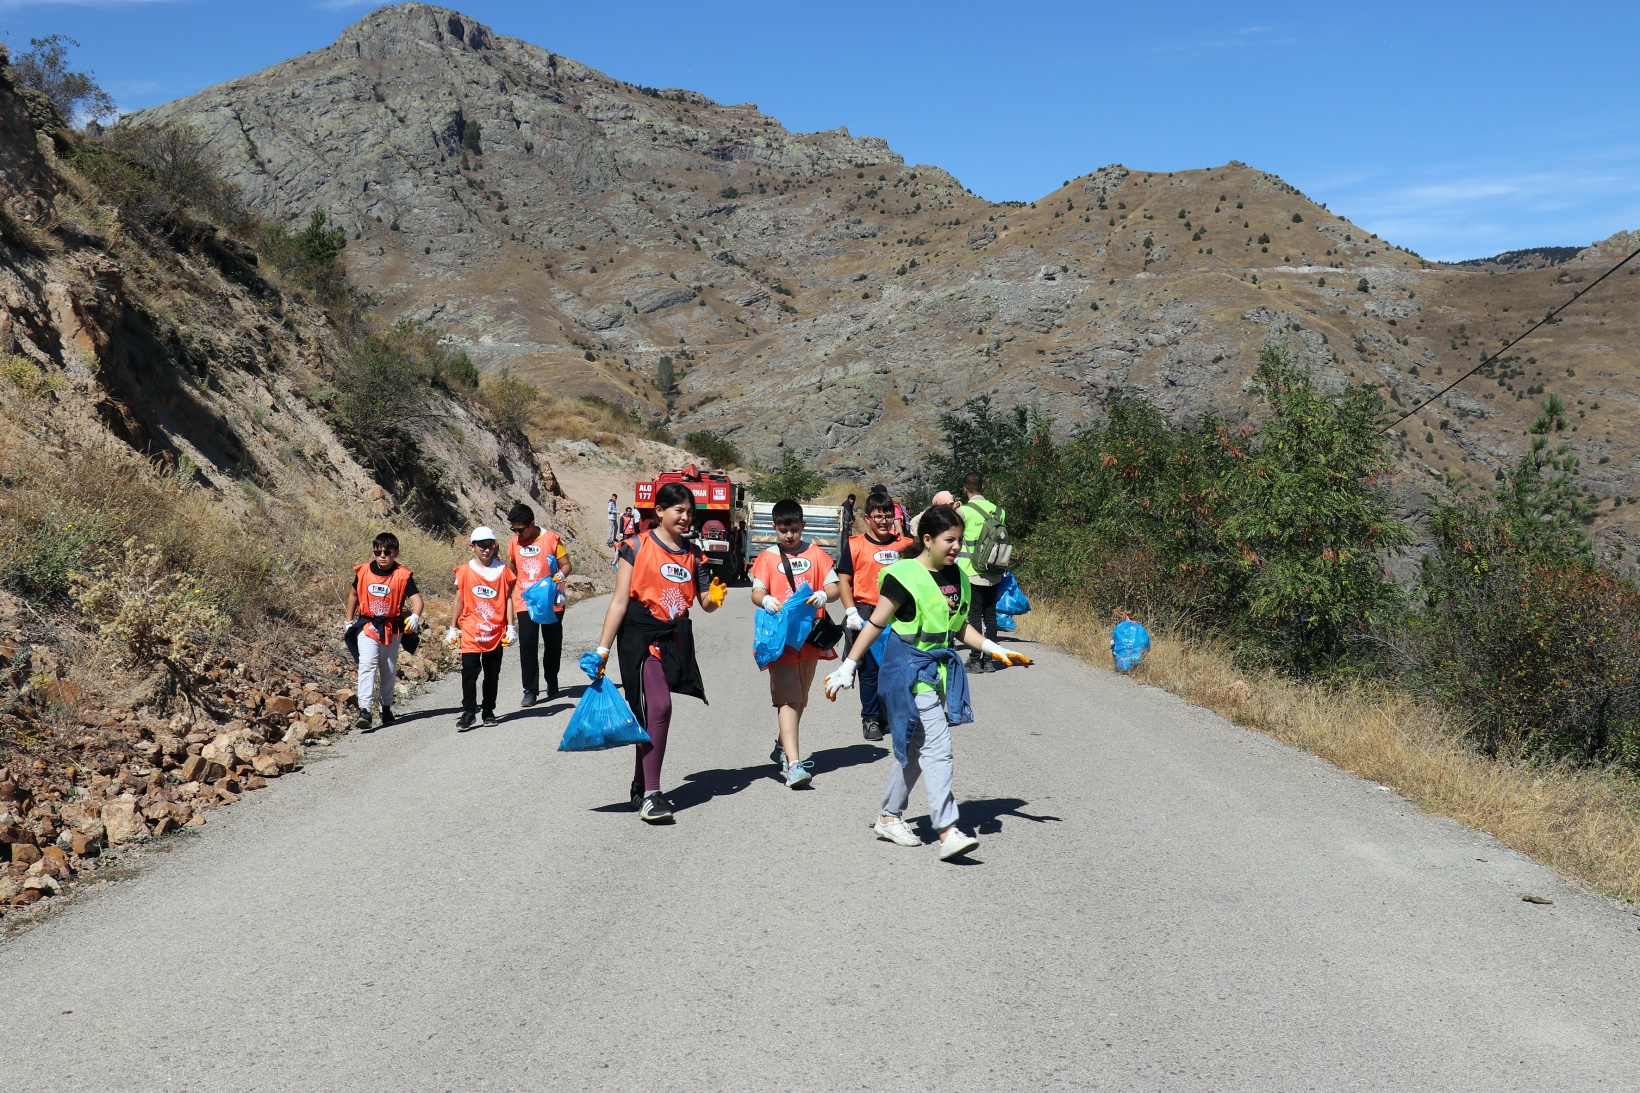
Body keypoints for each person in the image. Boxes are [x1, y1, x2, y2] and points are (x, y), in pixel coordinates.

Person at [823, 505, 1031, 861]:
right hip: (906, 670)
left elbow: (959, 627)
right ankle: (947, 830)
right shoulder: (904, 575)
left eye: (960, 541)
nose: (955, 547)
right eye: (949, 540)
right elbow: (875, 624)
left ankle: (889, 817)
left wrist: (995, 648)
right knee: (937, 746)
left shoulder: (959, 578)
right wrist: (850, 665)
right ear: (927, 539)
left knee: (916, 749)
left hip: (935, 672)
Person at [593, 482, 726, 822]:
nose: (685, 517)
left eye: (690, 512)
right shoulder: (635, 546)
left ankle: (640, 784)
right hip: (638, 635)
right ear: (660, 512)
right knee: (660, 706)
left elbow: (705, 604)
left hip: (673, 639)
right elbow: (620, 600)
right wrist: (602, 650)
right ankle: (652, 794)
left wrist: (715, 595)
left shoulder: (695, 555)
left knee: (649, 715)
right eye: (679, 511)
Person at [749, 498, 839, 787]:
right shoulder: (766, 557)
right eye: (783, 529)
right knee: (789, 698)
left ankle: (781, 746)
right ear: (775, 527)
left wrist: (826, 595)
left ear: (803, 526)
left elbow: (834, 586)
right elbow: (756, 591)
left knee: (801, 697)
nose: (789, 535)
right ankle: (794, 764)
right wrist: (765, 599)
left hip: (811, 639)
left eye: (794, 529)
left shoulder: (817, 555)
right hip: (780, 640)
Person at [836, 491, 913, 741]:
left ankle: (888, 714)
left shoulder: (905, 546)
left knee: (894, 668)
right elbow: (844, 580)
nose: (883, 521)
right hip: (866, 612)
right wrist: (850, 612)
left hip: (898, 614)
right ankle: (870, 719)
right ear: (867, 518)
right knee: (868, 670)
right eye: (878, 516)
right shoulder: (855, 544)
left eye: (888, 516)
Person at [345, 532, 425, 733]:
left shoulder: (403, 575)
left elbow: (417, 600)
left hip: (392, 627)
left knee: (388, 669)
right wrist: (348, 621)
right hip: (368, 624)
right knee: (367, 664)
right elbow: (353, 594)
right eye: (377, 551)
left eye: (387, 552)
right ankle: (364, 709)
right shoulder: (363, 571)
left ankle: (386, 707)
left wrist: (415, 616)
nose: (382, 555)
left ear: (395, 553)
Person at [447, 527, 517, 731]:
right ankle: (469, 711)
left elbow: (508, 598)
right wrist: (452, 628)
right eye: (481, 546)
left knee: (492, 673)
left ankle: (488, 710)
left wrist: (511, 627)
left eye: (490, 546)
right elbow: (459, 600)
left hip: (495, 631)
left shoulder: (504, 570)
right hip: (470, 629)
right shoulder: (464, 571)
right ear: (472, 547)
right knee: (469, 671)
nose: (486, 550)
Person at [506, 503, 572, 706]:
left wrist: (560, 575)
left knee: (552, 643)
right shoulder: (513, 543)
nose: (518, 533)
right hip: (525, 600)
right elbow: (512, 569)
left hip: (550, 601)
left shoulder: (551, 539)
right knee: (527, 644)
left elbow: (567, 564)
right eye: (514, 529)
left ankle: (551, 678)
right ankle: (530, 690)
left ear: (532, 524)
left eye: (521, 529)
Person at [957, 472, 1007, 673]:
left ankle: (976, 660)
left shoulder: (964, 512)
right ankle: (989, 660)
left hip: (971, 571)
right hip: (994, 570)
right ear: (983, 488)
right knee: (991, 616)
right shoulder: (998, 511)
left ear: (965, 489)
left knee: (974, 616)